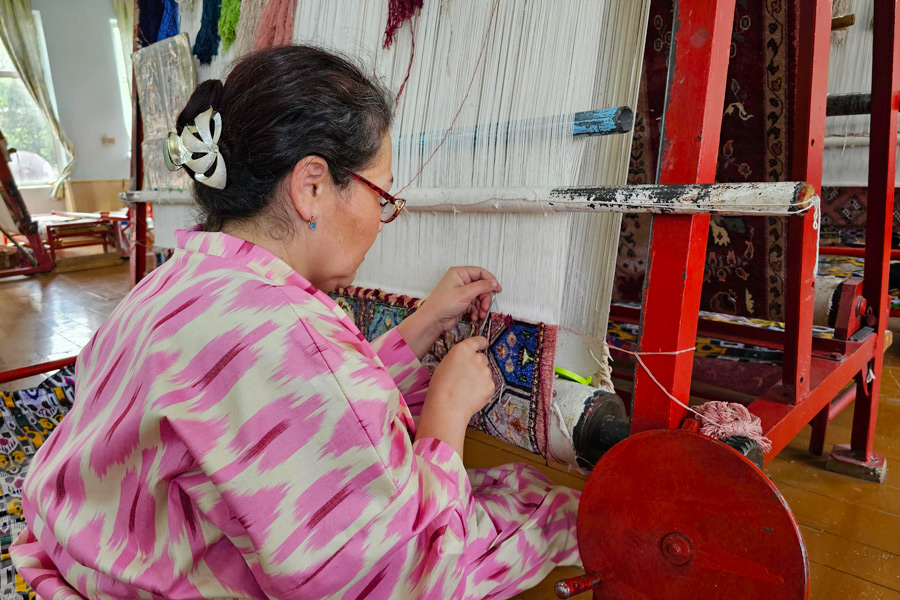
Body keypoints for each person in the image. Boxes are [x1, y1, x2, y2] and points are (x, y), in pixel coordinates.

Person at [11, 46, 580, 599]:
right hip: (145, 580)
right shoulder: (280, 330)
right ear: (311, 186)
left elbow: (284, 408)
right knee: (540, 509)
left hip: (84, 555)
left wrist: (422, 325)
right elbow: (408, 580)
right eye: (381, 195)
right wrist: (447, 411)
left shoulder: (183, 280)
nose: (383, 222)